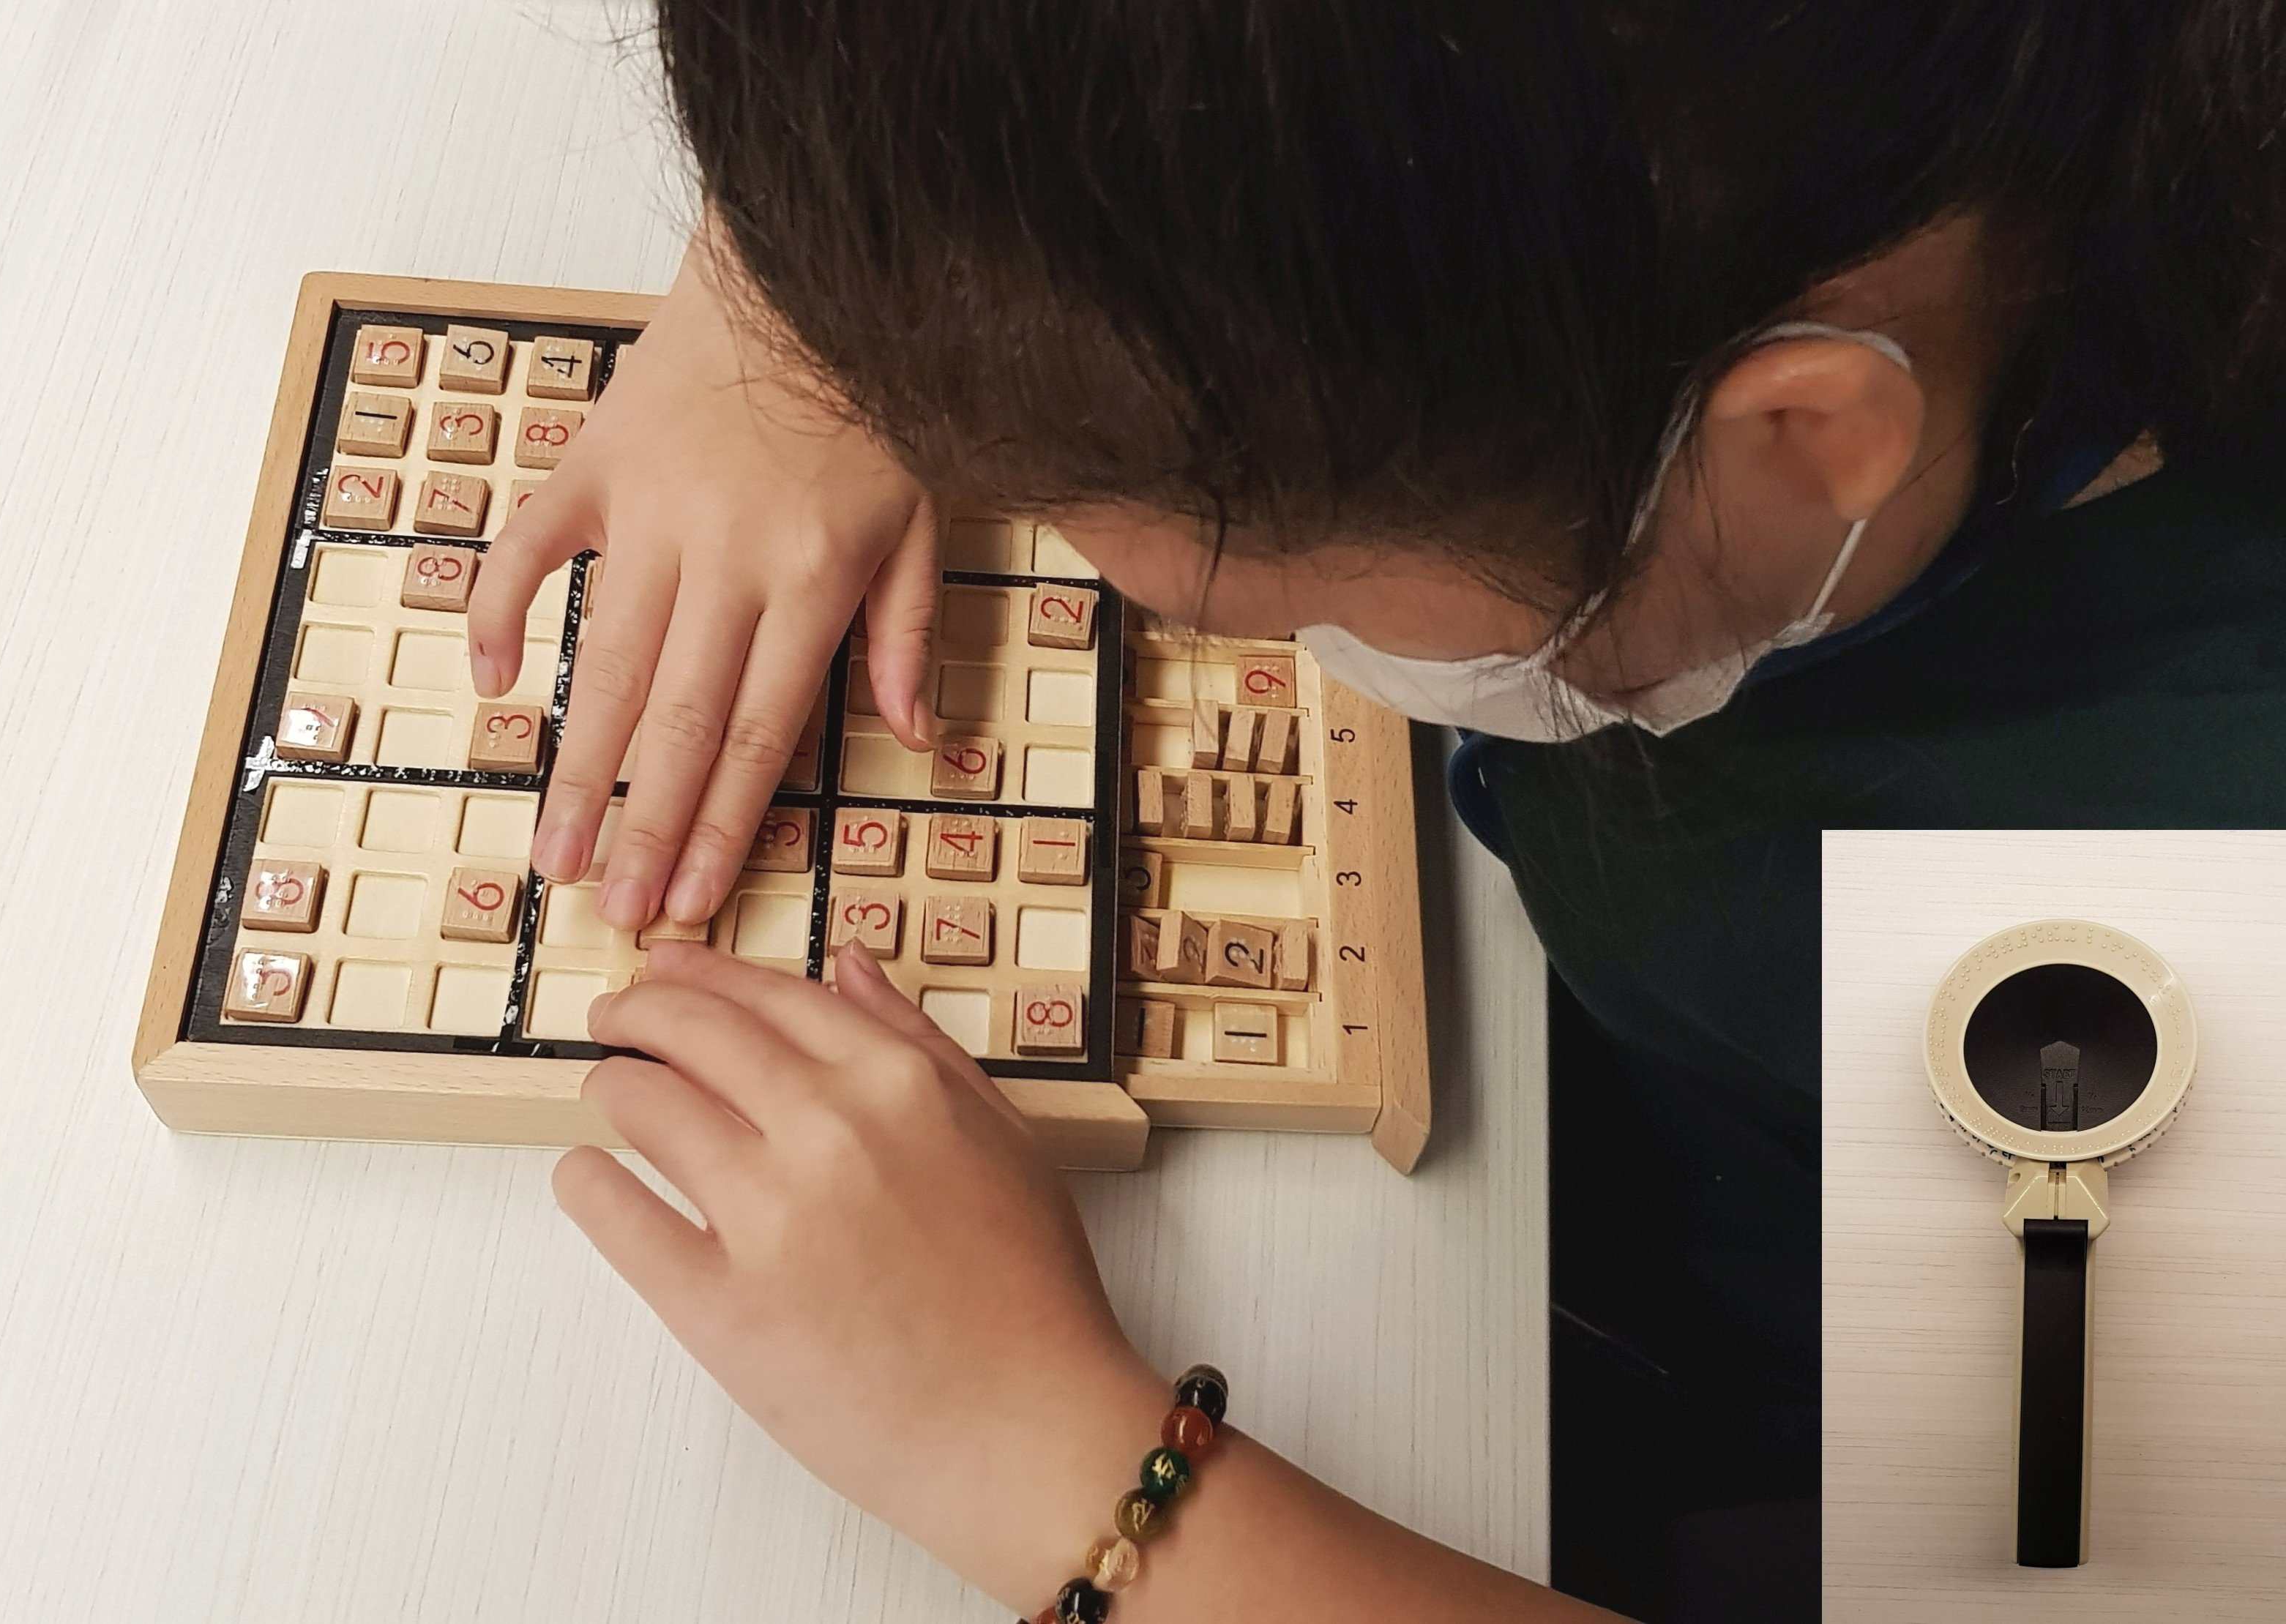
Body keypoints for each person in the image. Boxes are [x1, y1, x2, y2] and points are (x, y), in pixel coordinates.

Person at [464, 4, 2286, 1619]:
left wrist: (1060, 1471)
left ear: (1797, 437)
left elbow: (2089, 1575)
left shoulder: (2165, 925)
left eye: (1222, 556)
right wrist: (844, 292)